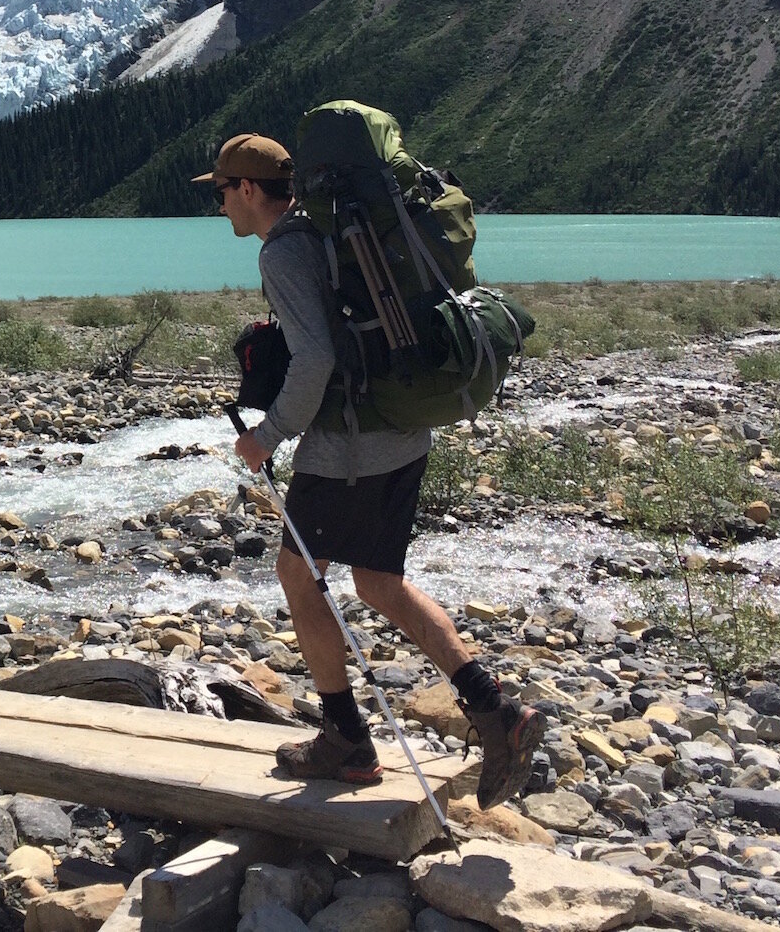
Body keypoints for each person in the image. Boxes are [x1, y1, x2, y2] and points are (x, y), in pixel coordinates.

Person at [198, 133, 545, 805]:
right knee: (379, 581)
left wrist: (266, 437)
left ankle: (347, 740)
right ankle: (497, 710)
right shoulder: (328, 234)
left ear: (247, 190)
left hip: (350, 446)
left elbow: (317, 361)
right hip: (404, 428)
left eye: (221, 192)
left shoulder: (286, 251)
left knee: (299, 575)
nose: (219, 207)